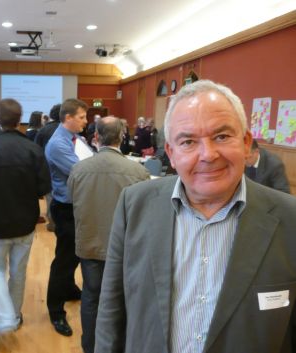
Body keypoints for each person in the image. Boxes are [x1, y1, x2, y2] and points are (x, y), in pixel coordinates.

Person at [95, 80, 296, 353]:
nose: (208, 155)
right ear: (171, 153)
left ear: (246, 143)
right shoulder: (135, 204)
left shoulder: (289, 218)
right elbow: (111, 307)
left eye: (222, 137)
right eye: (188, 141)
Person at [0, 99, 51, 334]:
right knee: (18, 272)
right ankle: (13, 315)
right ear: (19, 118)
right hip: (24, 223)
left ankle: (5, 319)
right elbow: (43, 188)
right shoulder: (33, 150)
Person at [67, 116, 150, 353]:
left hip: (90, 244)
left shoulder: (78, 169)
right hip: (125, 248)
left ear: (95, 137)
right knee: (123, 299)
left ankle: (90, 346)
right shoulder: (138, 172)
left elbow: (73, 199)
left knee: (91, 297)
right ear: (122, 137)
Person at [45, 98, 88, 336]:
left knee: (74, 255)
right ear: (68, 118)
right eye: (81, 117)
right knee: (63, 259)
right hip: (65, 209)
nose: (85, 121)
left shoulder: (76, 139)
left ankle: (70, 289)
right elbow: (83, 172)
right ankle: (55, 311)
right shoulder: (57, 145)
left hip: (77, 206)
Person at [35, 103, 62, 232]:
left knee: (50, 196)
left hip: (47, 168)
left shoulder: (43, 130)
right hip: (64, 168)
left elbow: (36, 150)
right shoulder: (65, 129)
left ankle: (52, 223)